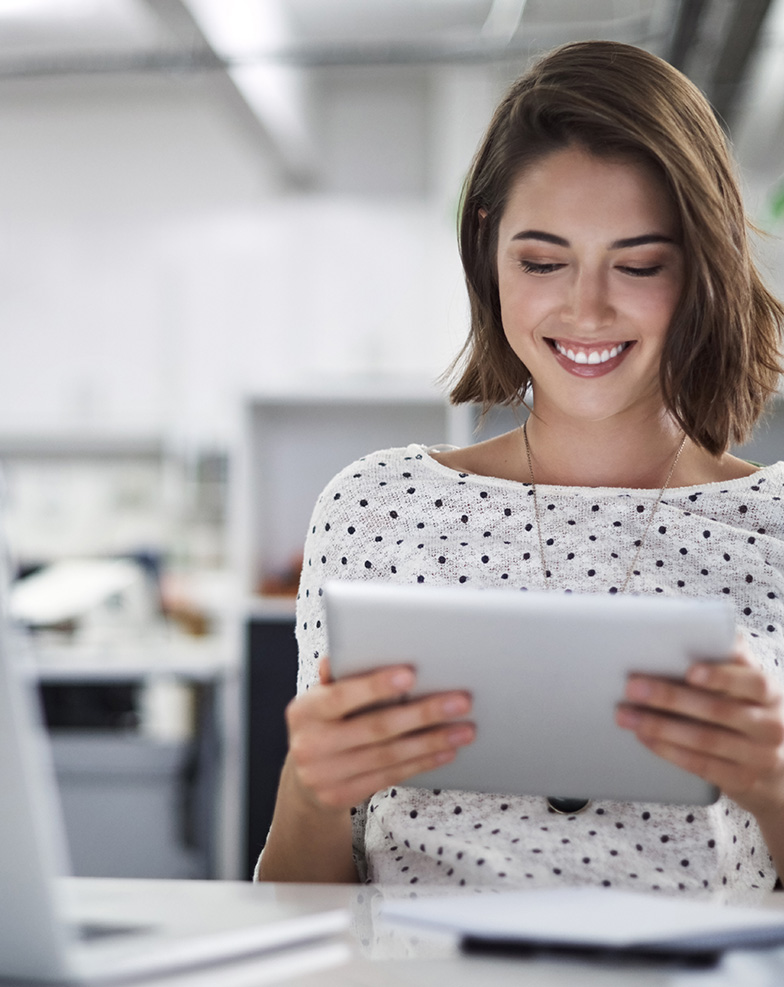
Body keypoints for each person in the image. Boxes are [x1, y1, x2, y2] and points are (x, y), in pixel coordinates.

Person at [256, 39, 784, 901]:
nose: (586, 309)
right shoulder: (378, 507)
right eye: (542, 262)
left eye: (639, 263)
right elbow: (300, 910)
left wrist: (775, 787)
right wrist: (313, 794)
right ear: (487, 254)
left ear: (703, 269)